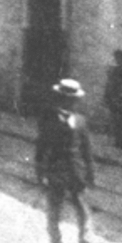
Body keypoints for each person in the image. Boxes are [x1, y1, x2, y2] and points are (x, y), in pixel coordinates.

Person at [35, 79, 95, 243]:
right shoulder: (49, 119)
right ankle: (55, 239)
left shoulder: (81, 121)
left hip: (76, 171)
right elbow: (41, 147)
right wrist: (40, 172)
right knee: (54, 209)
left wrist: (90, 174)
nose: (72, 103)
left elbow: (87, 150)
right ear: (61, 98)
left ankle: (85, 239)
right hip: (55, 170)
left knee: (81, 207)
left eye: (75, 100)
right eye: (68, 99)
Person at [103, 49, 122, 149]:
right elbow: (109, 84)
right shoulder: (114, 70)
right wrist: (107, 97)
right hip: (116, 99)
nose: (118, 60)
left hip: (118, 98)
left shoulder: (115, 70)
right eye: (117, 58)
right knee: (116, 120)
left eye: (119, 57)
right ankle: (118, 141)